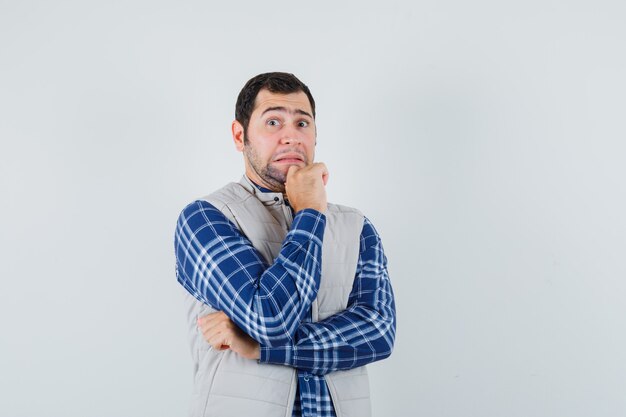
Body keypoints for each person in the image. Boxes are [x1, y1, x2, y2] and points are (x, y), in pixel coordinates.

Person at [174, 72, 396, 417]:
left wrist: (260, 349)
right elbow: (271, 319)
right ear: (240, 135)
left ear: (316, 135)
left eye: (302, 123)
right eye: (273, 121)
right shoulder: (205, 219)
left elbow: (378, 333)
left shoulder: (356, 227)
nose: (291, 136)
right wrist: (309, 210)